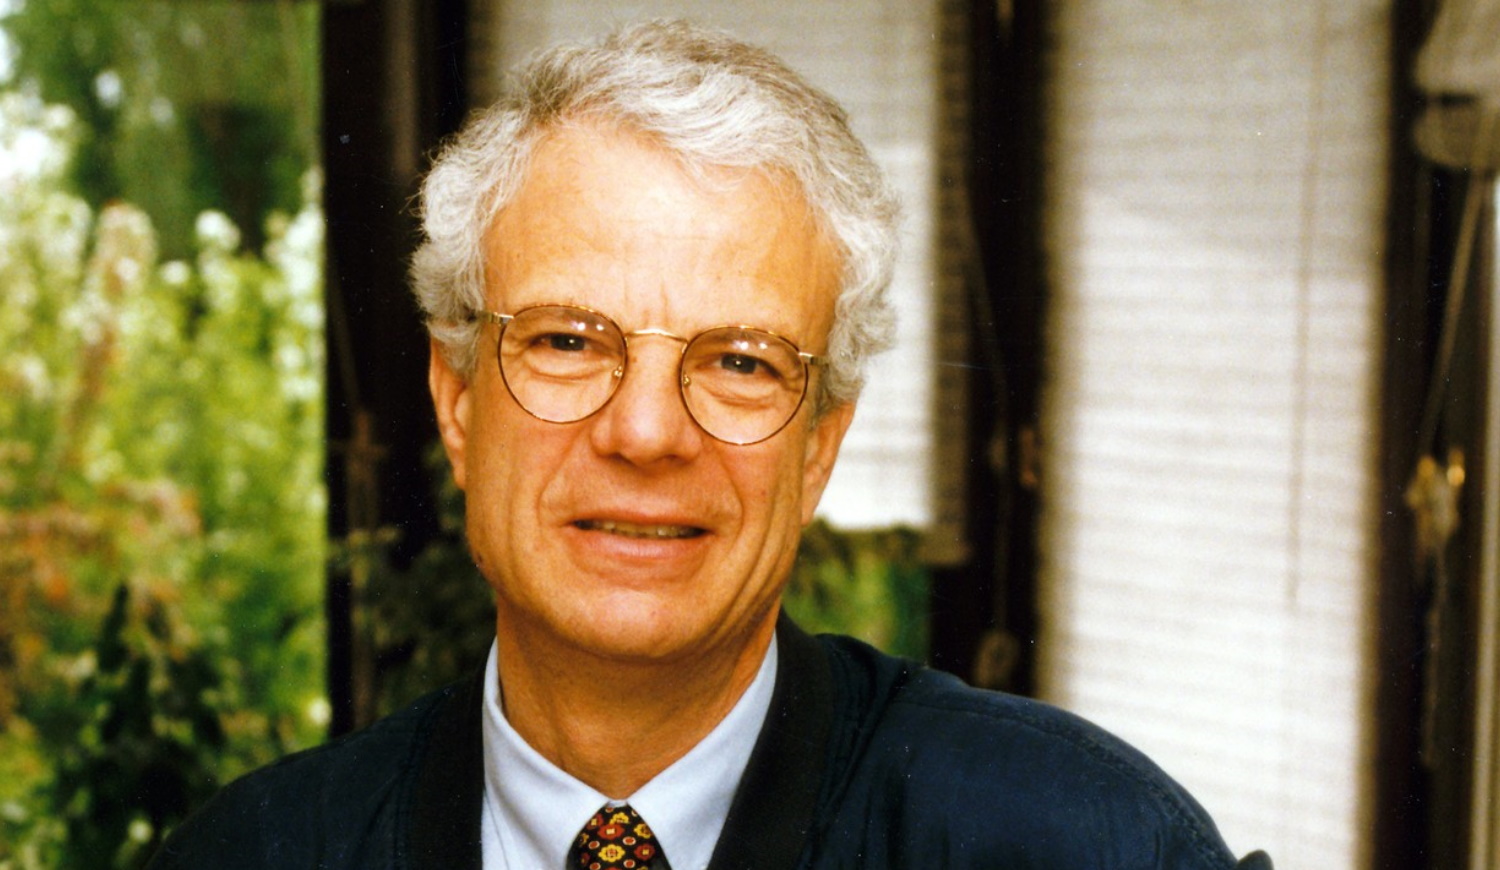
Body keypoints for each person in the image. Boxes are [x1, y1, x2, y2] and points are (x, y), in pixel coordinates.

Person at [150, 20, 1271, 870]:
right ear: (457, 403)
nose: (645, 433)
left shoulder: (1090, 843)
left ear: (821, 444)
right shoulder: (250, 853)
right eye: (568, 341)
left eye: (741, 361)